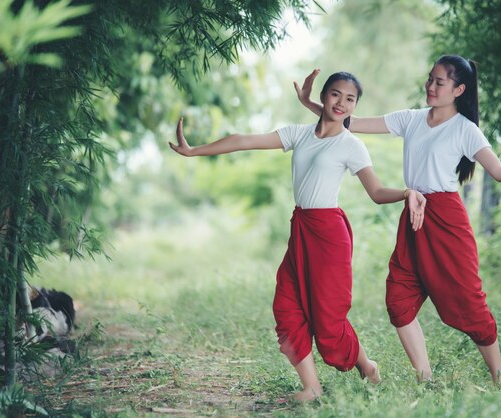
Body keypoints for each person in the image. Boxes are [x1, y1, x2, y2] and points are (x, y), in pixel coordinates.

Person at [294, 56, 501, 392]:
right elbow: (350, 120)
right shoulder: (412, 119)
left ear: (459, 90)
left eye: (440, 82)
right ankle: (426, 380)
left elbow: (499, 170)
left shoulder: (465, 129)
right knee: (398, 300)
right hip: (414, 212)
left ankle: (500, 380)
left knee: (468, 300)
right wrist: (310, 103)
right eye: (430, 79)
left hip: (447, 219)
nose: (431, 87)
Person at [169, 72, 427, 401]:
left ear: (355, 106)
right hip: (302, 229)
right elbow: (243, 139)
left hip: (330, 236)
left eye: (350, 99)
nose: (342, 103)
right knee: (287, 306)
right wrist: (195, 152)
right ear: (323, 96)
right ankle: (312, 388)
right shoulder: (299, 134)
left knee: (329, 323)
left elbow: (376, 191)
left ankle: (368, 367)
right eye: (336, 94)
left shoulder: (351, 145)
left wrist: (407, 192)